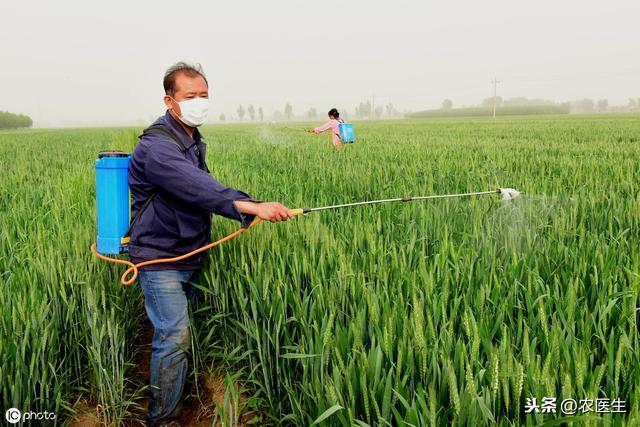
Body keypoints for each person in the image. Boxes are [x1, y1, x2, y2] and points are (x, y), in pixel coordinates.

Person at [128, 61, 294, 426]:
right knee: (174, 335)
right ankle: (164, 419)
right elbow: (197, 187)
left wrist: (247, 209)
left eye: (204, 95)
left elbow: (202, 191)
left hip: (189, 252)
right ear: (169, 101)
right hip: (159, 258)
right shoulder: (157, 147)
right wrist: (251, 207)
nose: (199, 102)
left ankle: (180, 396)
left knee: (176, 334)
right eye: (190, 96)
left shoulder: (190, 139)